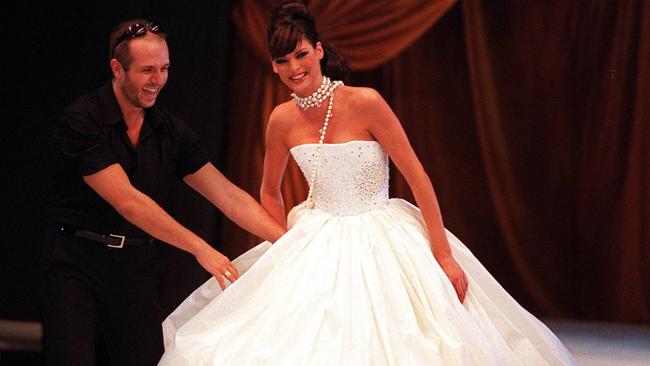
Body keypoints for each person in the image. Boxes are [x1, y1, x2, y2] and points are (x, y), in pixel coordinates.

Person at [159, 3, 577, 365]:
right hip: (316, 236)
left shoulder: (366, 102)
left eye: (301, 54)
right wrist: (282, 248)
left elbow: (417, 176)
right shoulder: (280, 119)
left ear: (319, 50)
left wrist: (444, 254)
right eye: (282, 61)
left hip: (383, 233)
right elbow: (269, 190)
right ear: (272, 65)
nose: (294, 68)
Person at [40, 19, 286, 366]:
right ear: (117, 68)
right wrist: (202, 248)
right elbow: (128, 202)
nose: (158, 81)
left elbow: (227, 195)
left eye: (164, 69)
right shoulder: (83, 120)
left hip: (135, 266)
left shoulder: (170, 130)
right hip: (76, 261)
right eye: (147, 71)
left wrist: (288, 241)